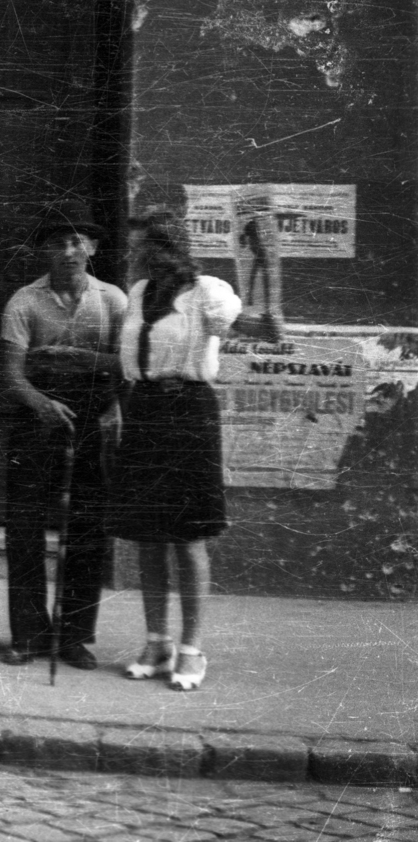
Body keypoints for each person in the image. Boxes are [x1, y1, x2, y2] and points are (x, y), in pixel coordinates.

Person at [111, 213, 241, 692]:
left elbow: (238, 325)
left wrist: (265, 315)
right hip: (143, 412)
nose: (136, 257)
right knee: (147, 535)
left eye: (143, 248)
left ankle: (192, 648)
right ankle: (156, 640)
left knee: (188, 537)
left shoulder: (208, 291)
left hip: (189, 413)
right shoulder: (139, 294)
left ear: (169, 249)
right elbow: (130, 362)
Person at [0, 201, 126, 670]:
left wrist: (93, 377)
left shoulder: (112, 300)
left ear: (91, 247)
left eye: (77, 242)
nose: (69, 251)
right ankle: (29, 634)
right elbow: (12, 376)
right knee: (25, 529)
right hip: (37, 419)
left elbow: (126, 365)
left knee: (86, 528)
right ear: (44, 251)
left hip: (93, 419)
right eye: (58, 243)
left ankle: (73, 636)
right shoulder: (24, 301)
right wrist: (43, 404)